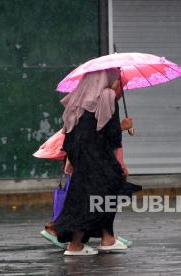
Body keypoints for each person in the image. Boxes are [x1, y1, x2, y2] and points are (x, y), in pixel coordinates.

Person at [53, 68, 141, 256]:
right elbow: (111, 135)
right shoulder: (107, 97)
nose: (116, 82)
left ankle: (105, 238)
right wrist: (123, 127)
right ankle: (81, 244)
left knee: (86, 195)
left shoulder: (75, 100)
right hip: (98, 156)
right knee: (109, 190)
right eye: (114, 78)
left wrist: (70, 159)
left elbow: (69, 133)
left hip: (80, 156)